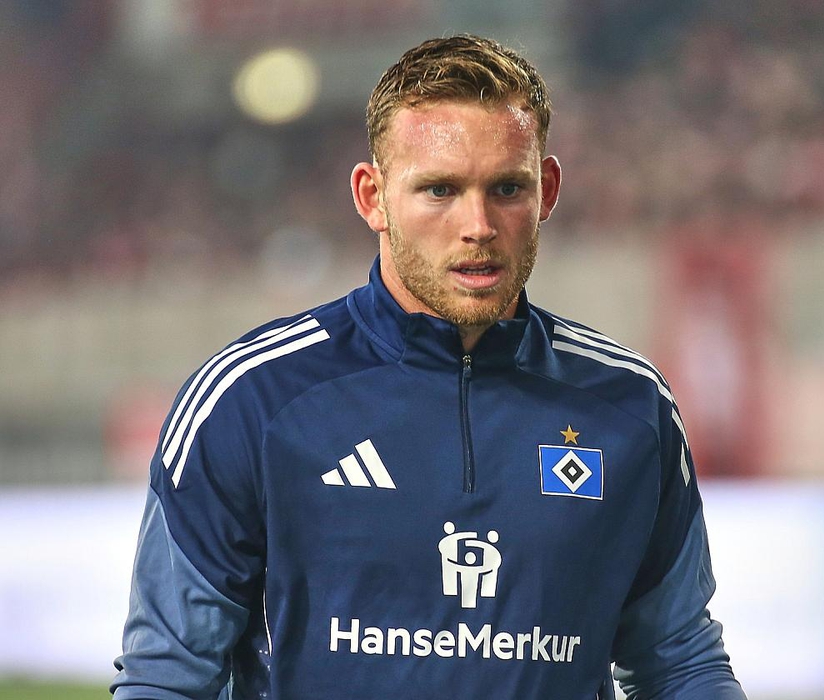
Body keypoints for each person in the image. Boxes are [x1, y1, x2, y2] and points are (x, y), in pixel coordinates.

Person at [111, 35, 746, 700]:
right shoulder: (252, 400)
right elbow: (166, 678)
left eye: (507, 188)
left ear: (548, 191)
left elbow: (680, 663)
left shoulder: (630, 408)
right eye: (440, 189)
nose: (479, 225)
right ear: (372, 197)